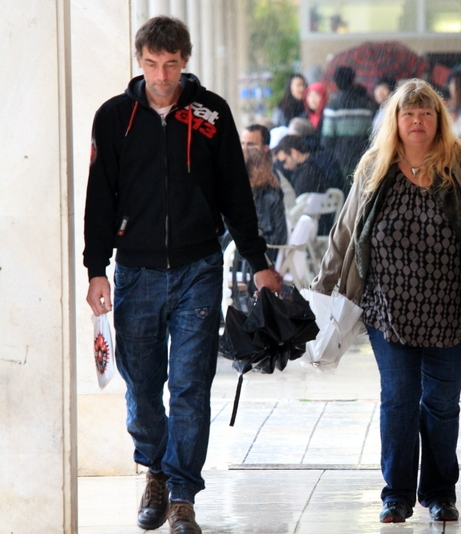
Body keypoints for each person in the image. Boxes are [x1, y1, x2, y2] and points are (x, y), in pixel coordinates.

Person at [82, 16, 281, 534]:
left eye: (171, 65)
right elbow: (99, 198)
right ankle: (154, 468)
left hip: (199, 268)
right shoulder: (115, 117)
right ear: (139, 61)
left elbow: (236, 193)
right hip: (135, 272)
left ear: (185, 61)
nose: (162, 76)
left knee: (191, 386)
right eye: (152, 64)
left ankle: (182, 496)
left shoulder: (210, 114)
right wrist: (96, 269)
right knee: (143, 386)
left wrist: (259, 262)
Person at [309, 79, 461, 524]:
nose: (417, 121)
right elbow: (345, 231)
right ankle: (396, 495)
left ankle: (440, 493)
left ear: (439, 119)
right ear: (395, 121)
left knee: (442, 405)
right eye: (408, 114)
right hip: (389, 312)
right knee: (398, 401)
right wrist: (322, 288)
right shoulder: (375, 166)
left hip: (454, 311)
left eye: (426, 113)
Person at [273, 134, 345, 235]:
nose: (284, 166)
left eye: (284, 161)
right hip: (335, 224)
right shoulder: (324, 160)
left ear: (294, 153)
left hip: (315, 229)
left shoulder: (307, 173)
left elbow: (297, 208)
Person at [240, 124, 288, 262]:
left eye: (251, 145)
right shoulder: (239, 174)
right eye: (242, 143)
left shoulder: (268, 182)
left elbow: (270, 232)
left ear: (265, 148)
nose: (245, 149)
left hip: (257, 257)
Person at [321, 66, 376, 181]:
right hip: (363, 159)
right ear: (353, 81)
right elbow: (371, 135)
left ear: (336, 83)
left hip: (341, 161)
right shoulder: (366, 106)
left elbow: (327, 140)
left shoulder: (332, 107)